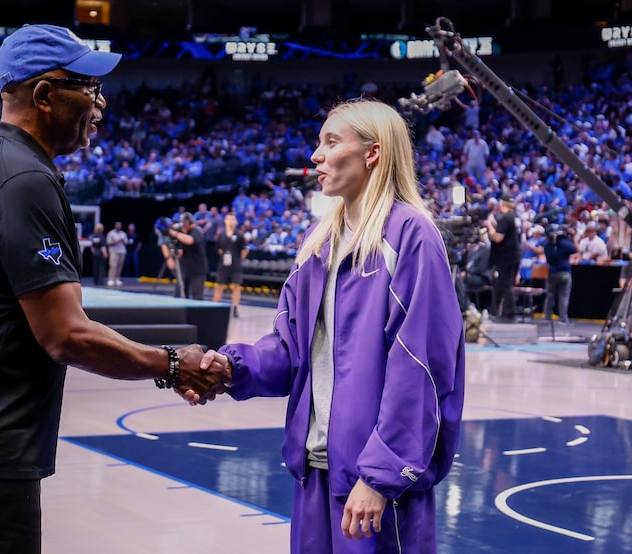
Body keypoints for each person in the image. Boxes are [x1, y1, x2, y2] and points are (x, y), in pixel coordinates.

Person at [0, 24, 221, 554]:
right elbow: (65, 335)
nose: (100, 103)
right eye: (88, 87)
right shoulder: (24, 180)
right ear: (44, 95)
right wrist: (175, 363)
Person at [189, 99, 465, 553]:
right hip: (315, 469)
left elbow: (421, 369)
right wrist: (231, 367)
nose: (316, 155)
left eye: (331, 142)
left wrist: (380, 476)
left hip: (377, 486)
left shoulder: (411, 235)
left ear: (372, 152)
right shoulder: (318, 243)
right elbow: (289, 348)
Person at [483, 194, 522, 323]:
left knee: (506, 286)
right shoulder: (516, 217)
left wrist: (489, 227)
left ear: (502, 204)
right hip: (515, 256)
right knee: (506, 285)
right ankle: (503, 313)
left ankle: (509, 315)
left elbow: (498, 238)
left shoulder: (505, 218)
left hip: (506, 257)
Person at [212, 212, 248, 317]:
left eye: (232, 219)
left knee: (236, 286)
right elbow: (219, 249)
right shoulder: (221, 235)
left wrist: (238, 259)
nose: (230, 221)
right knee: (219, 285)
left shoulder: (239, 235)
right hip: (223, 264)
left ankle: (235, 308)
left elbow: (244, 250)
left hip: (235, 264)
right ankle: (215, 307)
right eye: (228, 219)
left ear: (236, 222)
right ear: (225, 221)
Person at [167, 211, 208, 300]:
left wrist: (175, 233)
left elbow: (190, 240)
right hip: (184, 268)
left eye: (185, 223)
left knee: (197, 297)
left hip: (197, 270)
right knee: (179, 294)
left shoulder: (196, 231)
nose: (183, 226)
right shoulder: (181, 231)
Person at [543, 224, 578, 324]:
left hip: (552, 273)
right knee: (563, 296)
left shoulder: (547, 245)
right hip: (564, 272)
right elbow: (575, 249)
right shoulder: (564, 243)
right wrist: (571, 236)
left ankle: (547, 317)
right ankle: (563, 319)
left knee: (550, 295)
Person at [105, 221, 127, 286]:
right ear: (115, 226)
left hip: (122, 251)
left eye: (119, 225)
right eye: (117, 225)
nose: (118, 226)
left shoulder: (123, 233)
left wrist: (123, 241)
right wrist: (118, 241)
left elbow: (126, 242)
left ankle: (117, 279)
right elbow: (109, 243)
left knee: (120, 266)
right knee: (113, 265)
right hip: (114, 251)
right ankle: (111, 279)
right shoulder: (111, 233)